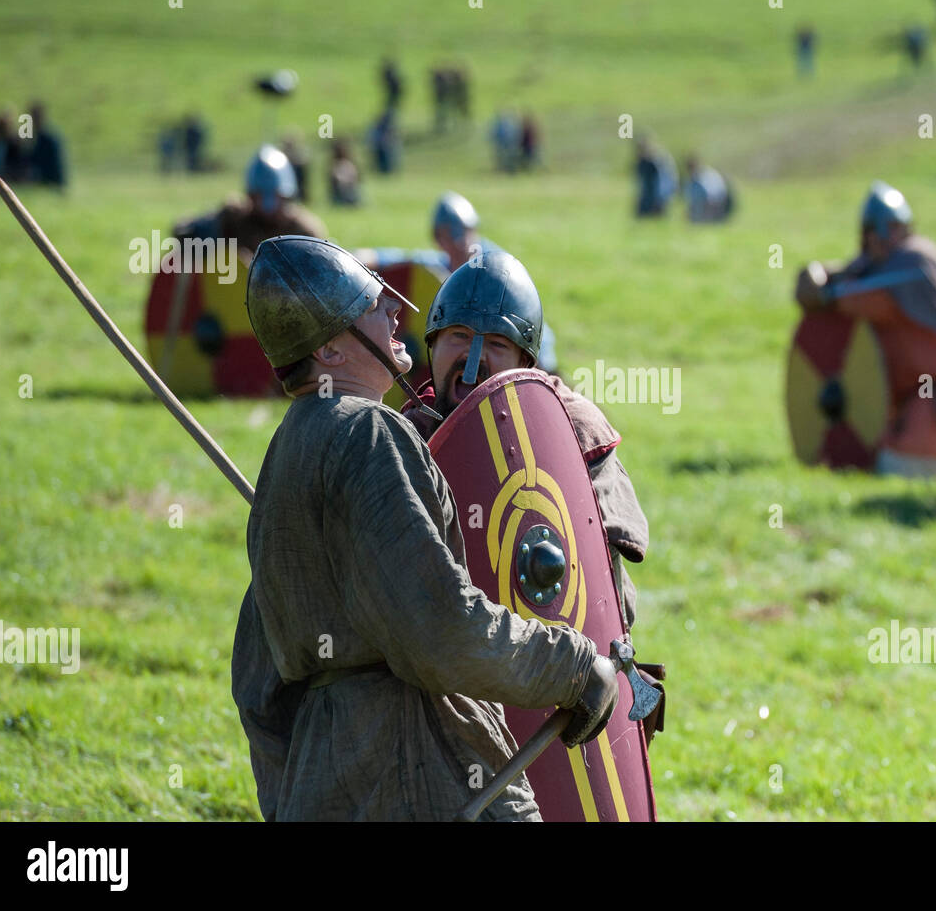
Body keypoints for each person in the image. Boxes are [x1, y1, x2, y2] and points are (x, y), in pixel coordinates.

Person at [232, 235, 618, 821]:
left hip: (323, 779)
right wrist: (571, 667)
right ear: (332, 350)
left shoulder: (286, 446)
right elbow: (437, 627)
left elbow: (255, 676)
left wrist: (295, 793)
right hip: (421, 768)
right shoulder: (368, 434)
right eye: (371, 305)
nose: (395, 309)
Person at [407, 250, 650, 633]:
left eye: (497, 344)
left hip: (558, 655)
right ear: (432, 345)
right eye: (460, 336)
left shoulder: (573, 429)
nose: (474, 357)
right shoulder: (407, 433)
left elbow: (608, 588)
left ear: (525, 361)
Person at [796, 180, 936, 502]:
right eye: (883, 230)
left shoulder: (916, 260)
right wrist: (813, 273)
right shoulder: (874, 266)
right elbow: (839, 278)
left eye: (897, 228)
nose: (891, 237)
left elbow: (858, 295)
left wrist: (825, 289)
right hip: (911, 399)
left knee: (897, 465)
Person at [429, 191, 558, 374]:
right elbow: (408, 262)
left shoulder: (497, 269)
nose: (456, 244)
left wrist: (543, 364)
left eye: (461, 234)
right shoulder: (441, 265)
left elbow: (527, 320)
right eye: (446, 236)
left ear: (473, 231)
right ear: (438, 239)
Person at [172, 144, 326, 252]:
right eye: (259, 195)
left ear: (286, 196)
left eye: (275, 196)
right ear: (251, 195)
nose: (267, 204)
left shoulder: (304, 233)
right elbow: (185, 232)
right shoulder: (236, 219)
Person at [684, 155, 734, 223]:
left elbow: (709, 194)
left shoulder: (703, 175)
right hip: (716, 200)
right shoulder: (704, 173)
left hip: (717, 202)